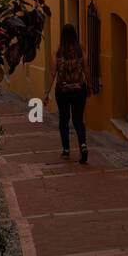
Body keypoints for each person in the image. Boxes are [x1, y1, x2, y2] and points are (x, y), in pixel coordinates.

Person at [44, 24, 91, 164]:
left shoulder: (57, 52)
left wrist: (47, 92)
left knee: (64, 119)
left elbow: (53, 73)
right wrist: (89, 86)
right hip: (79, 90)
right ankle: (83, 145)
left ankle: (66, 149)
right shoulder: (80, 50)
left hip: (63, 91)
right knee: (78, 120)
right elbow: (86, 69)